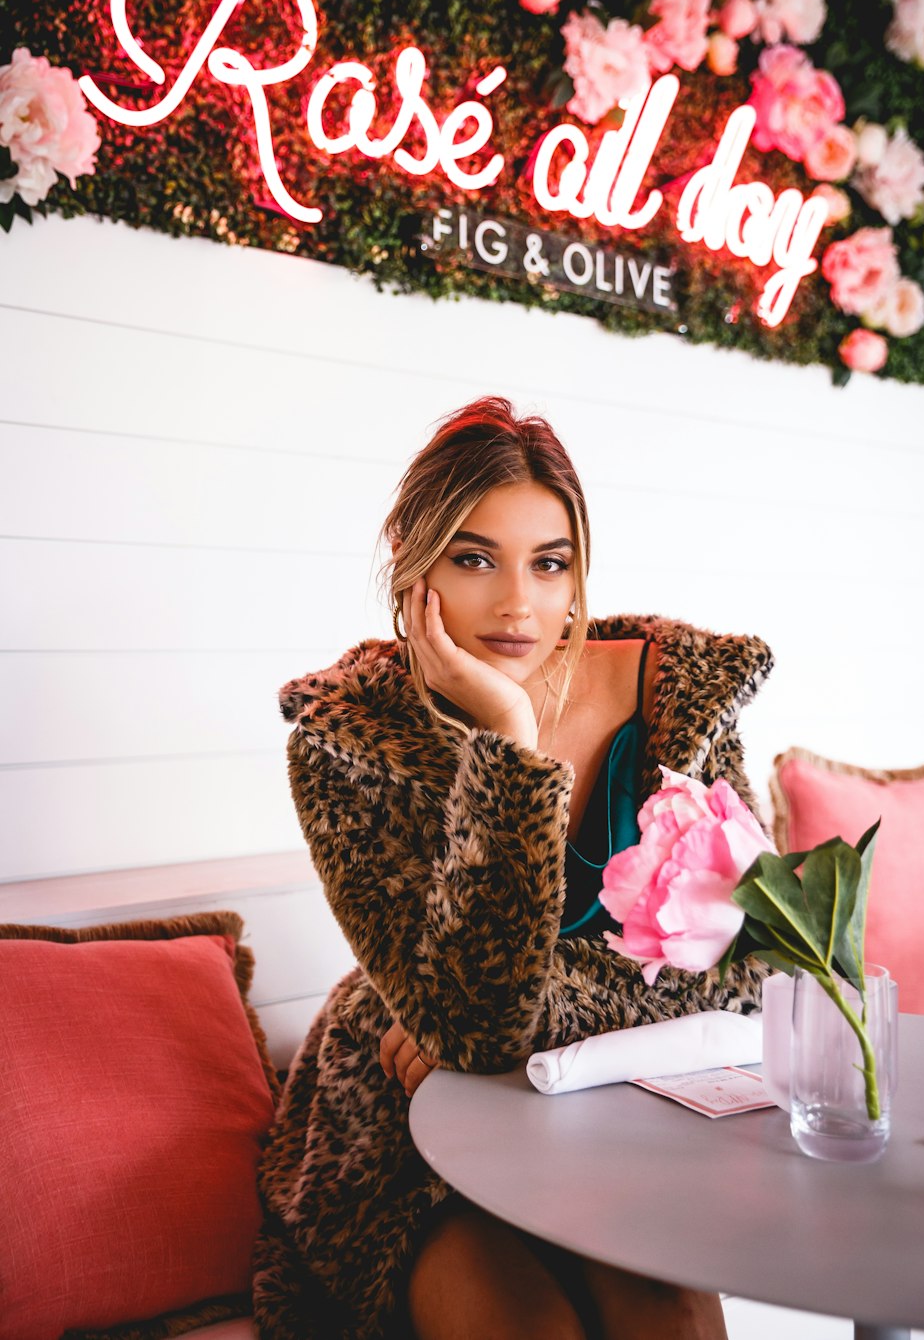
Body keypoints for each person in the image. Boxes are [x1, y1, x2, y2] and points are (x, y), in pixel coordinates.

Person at [253, 397, 773, 1340]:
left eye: (549, 562)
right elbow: (472, 1018)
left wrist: (528, 1040)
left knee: (674, 1318)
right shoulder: (349, 739)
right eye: (474, 557)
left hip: (623, 1118)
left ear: (579, 576)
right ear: (415, 569)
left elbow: (749, 973)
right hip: (410, 1121)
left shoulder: (678, 701)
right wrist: (507, 742)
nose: (517, 603)